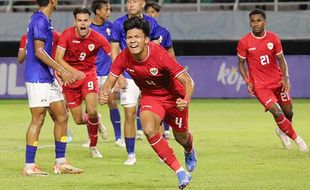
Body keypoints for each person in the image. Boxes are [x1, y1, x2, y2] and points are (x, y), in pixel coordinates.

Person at [100, 17, 197, 190]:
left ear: (145, 40)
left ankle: (189, 149)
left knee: (181, 137)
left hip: (174, 98)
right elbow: (110, 81)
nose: (133, 41)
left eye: (137, 37)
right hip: (151, 97)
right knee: (148, 129)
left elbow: (188, 81)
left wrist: (186, 100)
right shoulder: (123, 57)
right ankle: (180, 171)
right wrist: (104, 92)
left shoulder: (159, 54)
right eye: (129, 38)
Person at [23, 0, 82, 176]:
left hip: (46, 76)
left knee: (62, 115)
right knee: (38, 118)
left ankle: (61, 162)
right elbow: (39, 51)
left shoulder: (44, 19)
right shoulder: (40, 20)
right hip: (37, 77)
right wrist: (61, 70)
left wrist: (55, 71)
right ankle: (29, 166)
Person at [237, 9, 308, 152]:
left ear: (265, 22)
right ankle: (298, 140)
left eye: (258, 20)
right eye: (252, 21)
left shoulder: (273, 38)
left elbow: (281, 59)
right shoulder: (244, 42)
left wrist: (285, 78)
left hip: (277, 81)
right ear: (250, 23)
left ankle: (281, 130)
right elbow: (241, 63)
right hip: (260, 86)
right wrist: (247, 80)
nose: (255, 24)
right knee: (277, 112)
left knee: (289, 113)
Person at [55, 7, 111, 158]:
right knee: (79, 120)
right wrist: (72, 72)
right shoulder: (67, 34)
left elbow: (113, 54)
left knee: (92, 110)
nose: (83, 23)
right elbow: (58, 59)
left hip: (88, 76)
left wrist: (120, 74)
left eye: (85, 20)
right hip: (71, 79)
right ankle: (97, 122)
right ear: (75, 22)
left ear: (89, 22)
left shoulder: (98, 38)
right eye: (79, 20)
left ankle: (93, 147)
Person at [110, 0, 160, 165]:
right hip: (128, 74)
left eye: (135, 1)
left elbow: (156, 46)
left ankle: (161, 152)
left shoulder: (151, 22)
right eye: (129, 1)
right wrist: (118, 74)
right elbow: (114, 49)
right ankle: (131, 154)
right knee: (130, 114)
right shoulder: (118, 23)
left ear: (143, 3)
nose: (131, 4)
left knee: (155, 114)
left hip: (149, 74)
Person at [18, 31, 73, 143]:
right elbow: (20, 59)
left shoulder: (55, 35)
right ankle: (30, 160)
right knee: (40, 117)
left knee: (62, 111)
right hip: (37, 77)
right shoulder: (26, 37)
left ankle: (61, 156)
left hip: (54, 74)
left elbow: (60, 54)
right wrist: (26, 47)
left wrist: (60, 70)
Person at [90, 0, 125, 148]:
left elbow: (118, 49)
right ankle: (92, 137)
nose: (108, 12)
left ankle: (118, 137)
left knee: (111, 101)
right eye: (106, 9)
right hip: (91, 72)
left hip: (107, 72)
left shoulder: (111, 27)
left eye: (109, 9)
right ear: (98, 11)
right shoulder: (88, 28)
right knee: (90, 108)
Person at [144, 0, 176, 140]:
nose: (150, 14)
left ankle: (167, 129)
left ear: (157, 14)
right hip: (145, 71)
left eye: (153, 12)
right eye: (148, 12)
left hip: (162, 71)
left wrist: (172, 68)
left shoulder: (164, 32)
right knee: (145, 100)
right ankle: (143, 129)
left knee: (166, 100)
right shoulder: (140, 32)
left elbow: (170, 51)